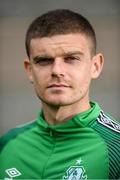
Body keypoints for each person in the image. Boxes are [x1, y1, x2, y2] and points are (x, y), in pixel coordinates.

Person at [0, 9, 120, 180]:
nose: (57, 70)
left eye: (71, 58)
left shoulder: (116, 149)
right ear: (29, 70)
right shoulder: (7, 145)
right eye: (44, 60)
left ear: (95, 66)